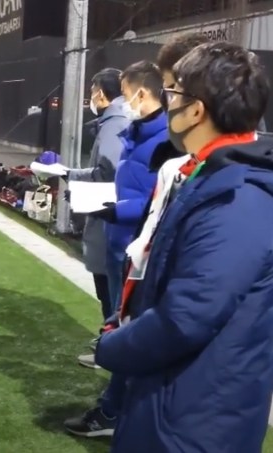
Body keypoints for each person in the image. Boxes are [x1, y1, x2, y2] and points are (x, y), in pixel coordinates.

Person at [95, 41, 273, 452]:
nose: (166, 103)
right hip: (181, 403)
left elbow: (185, 317)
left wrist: (113, 347)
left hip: (195, 419)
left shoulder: (238, 197)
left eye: (172, 92)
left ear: (196, 111)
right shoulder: (216, 176)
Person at [64, 60, 168, 438]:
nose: (122, 103)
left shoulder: (166, 140)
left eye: (125, 95)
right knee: (120, 325)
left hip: (137, 251)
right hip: (122, 243)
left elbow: (156, 204)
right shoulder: (137, 133)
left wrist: (111, 210)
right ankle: (114, 408)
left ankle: (113, 412)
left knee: (130, 332)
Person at [65, 68, 131, 363]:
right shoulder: (120, 121)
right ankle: (110, 344)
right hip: (117, 224)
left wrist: (76, 183)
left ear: (101, 94)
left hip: (112, 226)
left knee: (111, 294)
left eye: (92, 91)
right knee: (114, 293)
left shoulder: (115, 123)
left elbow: (109, 175)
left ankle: (110, 348)